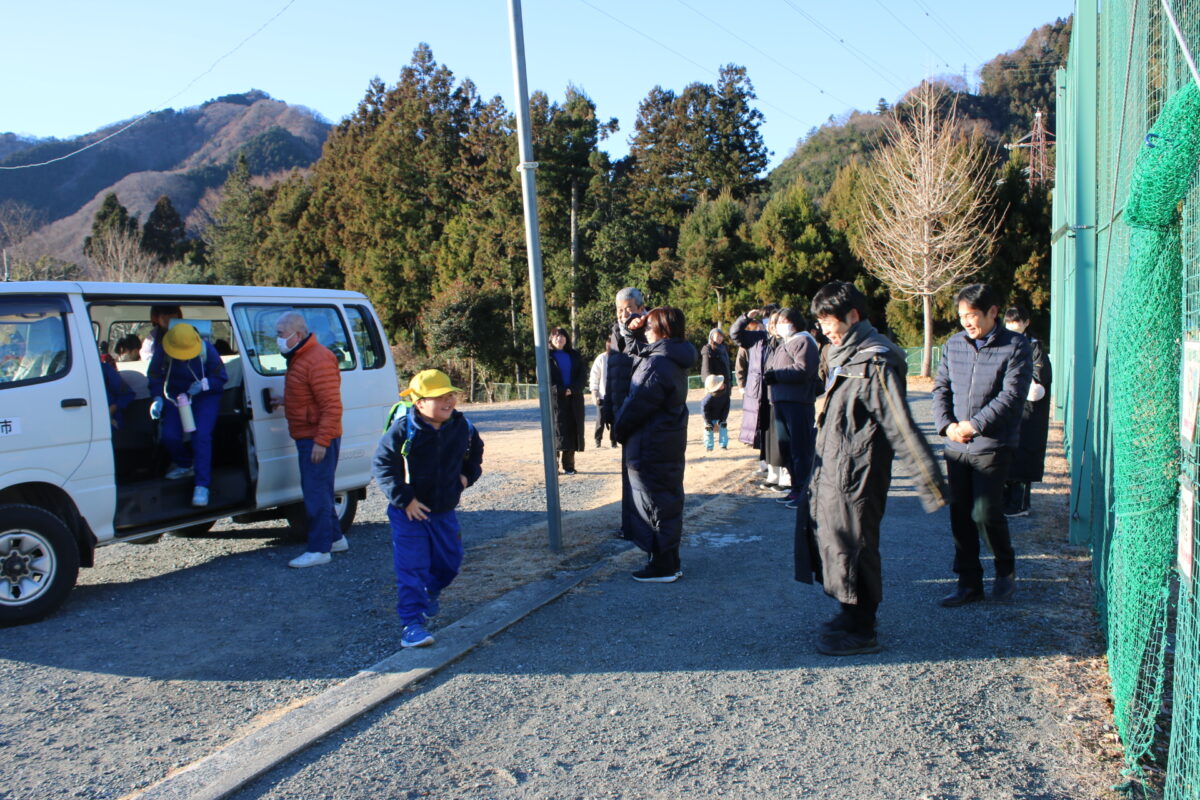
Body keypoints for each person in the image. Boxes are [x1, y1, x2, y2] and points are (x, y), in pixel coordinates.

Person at [798, 281, 948, 656]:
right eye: (820, 322)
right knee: (835, 541)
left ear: (852, 316)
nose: (824, 329)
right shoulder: (843, 355)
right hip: (834, 468)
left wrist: (930, 483)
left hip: (858, 473)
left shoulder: (875, 361)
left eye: (828, 321)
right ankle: (849, 614)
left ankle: (863, 628)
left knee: (857, 546)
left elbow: (900, 425)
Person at [932, 284, 1033, 607]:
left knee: (985, 511)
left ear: (992, 312)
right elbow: (941, 388)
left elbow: (1011, 396)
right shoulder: (954, 344)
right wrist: (947, 426)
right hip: (956, 445)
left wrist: (974, 425)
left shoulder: (1016, 346)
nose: (966, 322)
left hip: (992, 444)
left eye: (972, 315)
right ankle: (968, 582)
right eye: (962, 315)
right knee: (960, 514)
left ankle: (1004, 569)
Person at [372, 369, 484, 648]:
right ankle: (412, 624)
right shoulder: (403, 430)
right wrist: (405, 500)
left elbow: (475, 455)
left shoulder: (463, 426)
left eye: (451, 395)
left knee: (450, 563)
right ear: (419, 403)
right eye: (440, 397)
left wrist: (466, 477)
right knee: (412, 568)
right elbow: (383, 466)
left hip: (444, 511)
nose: (448, 401)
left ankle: (430, 591)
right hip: (408, 514)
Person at [615, 307, 697, 582]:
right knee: (667, 499)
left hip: (650, 442)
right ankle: (668, 561)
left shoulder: (657, 364)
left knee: (654, 504)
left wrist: (619, 430)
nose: (645, 331)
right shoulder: (672, 355)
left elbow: (635, 405)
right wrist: (631, 329)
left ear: (663, 329)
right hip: (666, 440)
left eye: (649, 326)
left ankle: (663, 565)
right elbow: (635, 350)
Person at [274, 311, 349, 568]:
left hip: (316, 438)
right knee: (321, 491)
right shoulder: (302, 356)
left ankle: (319, 549)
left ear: (297, 334)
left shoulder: (317, 358)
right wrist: (286, 401)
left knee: (316, 493)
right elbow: (311, 396)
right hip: (311, 436)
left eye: (281, 333)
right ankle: (335, 539)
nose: (278, 338)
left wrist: (321, 441)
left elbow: (331, 406)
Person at [147, 323, 227, 507]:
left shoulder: (207, 350)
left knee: (201, 436)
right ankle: (184, 464)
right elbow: (155, 375)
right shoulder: (163, 350)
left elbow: (221, 377)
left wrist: (204, 385)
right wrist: (157, 398)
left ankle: (202, 485)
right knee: (169, 436)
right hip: (175, 395)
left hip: (204, 397)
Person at [763, 307, 821, 510]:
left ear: (795, 322)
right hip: (780, 401)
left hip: (798, 403)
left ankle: (805, 491)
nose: (780, 325)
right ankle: (796, 488)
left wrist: (777, 375)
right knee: (786, 449)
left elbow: (803, 369)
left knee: (800, 449)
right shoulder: (784, 343)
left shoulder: (804, 341)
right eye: (778, 322)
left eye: (783, 321)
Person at [605, 287, 647, 539]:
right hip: (621, 411)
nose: (623, 314)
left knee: (642, 474)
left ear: (641, 308)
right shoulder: (615, 332)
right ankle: (629, 526)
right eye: (619, 310)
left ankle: (643, 526)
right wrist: (608, 409)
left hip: (642, 411)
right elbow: (611, 375)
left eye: (628, 309)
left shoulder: (650, 330)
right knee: (627, 472)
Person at [1002, 306, 1052, 518]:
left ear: (1026, 323)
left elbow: (1040, 382)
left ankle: (1019, 505)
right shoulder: (1003, 344)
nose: (1012, 326)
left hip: (1027, 411)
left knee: (1022, 457)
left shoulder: (1034, 347)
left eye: (1017, 321)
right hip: (1007, 409)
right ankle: (1005, 502)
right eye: (1009, 321)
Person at [547, 327, 586, 475]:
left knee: (572, 430)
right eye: (556, 336)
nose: (560, 338)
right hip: (556, 400)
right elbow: (545, 379)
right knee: (556, 431)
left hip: (574, 398)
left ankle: (568, 465)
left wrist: (573, 389)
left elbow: (582, 375)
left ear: (567, 339)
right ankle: (553, 466)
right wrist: (561, 390)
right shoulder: (547, 356)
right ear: (551, 339)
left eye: (562, 336)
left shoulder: (575, 355)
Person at [589, 342, 612, 448]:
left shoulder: (620, 358)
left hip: (615, 395)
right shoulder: (601, 358)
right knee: (600, 419)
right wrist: (594, 392)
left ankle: (614, 441)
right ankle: (597, 441)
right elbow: (594, 376)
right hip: (602, 395)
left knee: (615, 420)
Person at [701, 374, 730, 451]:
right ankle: (709, 447)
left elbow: (726, 408)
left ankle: (723, 445)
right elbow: (705, 411)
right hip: (709, 418)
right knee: (708, 431)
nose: (723, 383)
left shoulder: (726, 394)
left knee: (723, 429)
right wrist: (709, 423)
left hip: (721, 417)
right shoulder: (708, 398)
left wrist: (723, 419)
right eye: (720, 384)